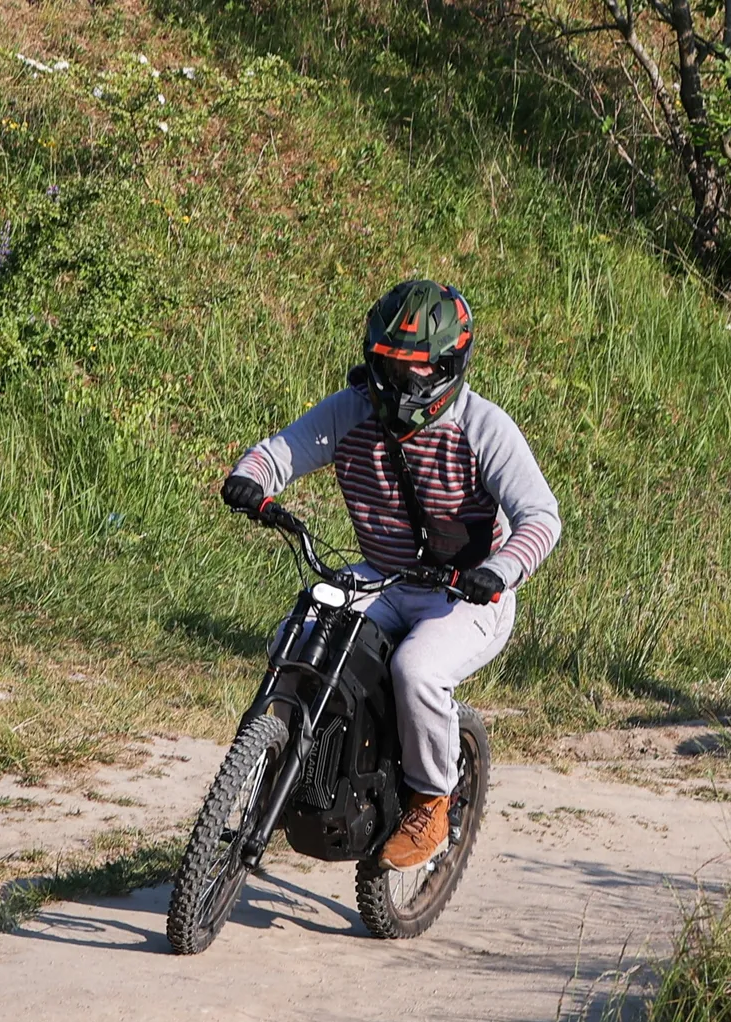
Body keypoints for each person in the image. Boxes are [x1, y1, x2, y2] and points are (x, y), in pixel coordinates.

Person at [220, 279, 561, 870]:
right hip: (382, 574)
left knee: (417, 669)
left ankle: (432, 800)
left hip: (465, 594)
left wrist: (499, 571)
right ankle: (285, 751)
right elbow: (283, 450)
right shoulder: (351, 410)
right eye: (385, 367)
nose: (395, 386)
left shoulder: (483, 428)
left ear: (449, 367)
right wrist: (252, 477)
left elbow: (541, 517)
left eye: (412, 373)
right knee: (297, 636)